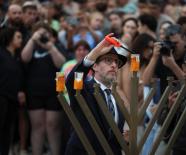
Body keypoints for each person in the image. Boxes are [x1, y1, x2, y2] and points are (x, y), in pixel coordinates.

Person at [65, 34, 128, 155]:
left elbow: (111, 134)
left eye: (116, 62)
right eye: (108, 60)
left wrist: (124, 140)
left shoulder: (117, 98)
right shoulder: (84, 90)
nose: (114, 65)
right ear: (94, 66)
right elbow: (72, 80)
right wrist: (97, 51)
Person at [21, 22, 66, 155]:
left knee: (53, 126)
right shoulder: (31, 46)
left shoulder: (55, 47)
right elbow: (24, 58)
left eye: (45, 33)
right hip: (34, 93)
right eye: (40, 33)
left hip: (54, 93)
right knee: (37, 127)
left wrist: (51, 47)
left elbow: (61, 64)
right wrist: (32, 39)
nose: (42, 36)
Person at [0, 27, 23, 155]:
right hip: (1, 97)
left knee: (7, 130)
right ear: (10, 39)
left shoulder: (16, 56)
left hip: (12, 98)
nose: (21, 40)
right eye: (18, 37)